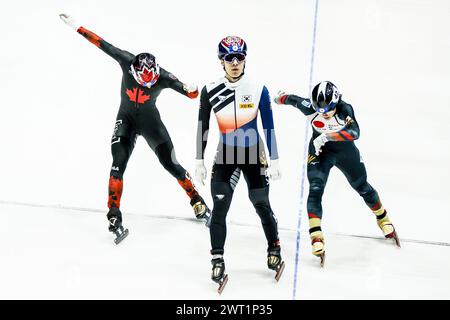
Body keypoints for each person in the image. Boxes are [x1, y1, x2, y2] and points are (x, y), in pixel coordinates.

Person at [59, 14, 210, 244]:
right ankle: (113, 214)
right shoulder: (126, 60)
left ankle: (197, 200)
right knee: (117, 164)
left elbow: (190, 93)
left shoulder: (162, 76)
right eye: (144, 81)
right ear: (134, 72)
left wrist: (191, 90)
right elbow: (102, 44)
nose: (149, 84)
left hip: (151, 124)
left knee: (171, 163)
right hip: (127, 121)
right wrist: (76, 26)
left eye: (152, 82)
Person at [274, 81, 400, 265]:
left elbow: (355, 132)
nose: (324, 114)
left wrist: (327, 136)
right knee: (315, 188)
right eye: (320, 110)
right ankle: (316, 236)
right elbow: (292, 100)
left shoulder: (344, 109)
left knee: (362, 186)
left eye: (328, 109)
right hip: (320, 153)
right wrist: (278, 99)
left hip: (345, 152)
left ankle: (382, 218)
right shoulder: (309, 107)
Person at [195, 36, 284, 291]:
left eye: (240, 58)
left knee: (261, 204)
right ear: (220, 61)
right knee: (220, 207)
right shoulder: (210, 89)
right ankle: (217, 259)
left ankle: (274, 247)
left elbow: (268, 126)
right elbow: (203, 125)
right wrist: (199, 159)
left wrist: (275, 159)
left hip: (253, 156)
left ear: (245, 59)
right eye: (229, 59)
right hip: (226, 156)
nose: (235, 63)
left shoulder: (258, 88)